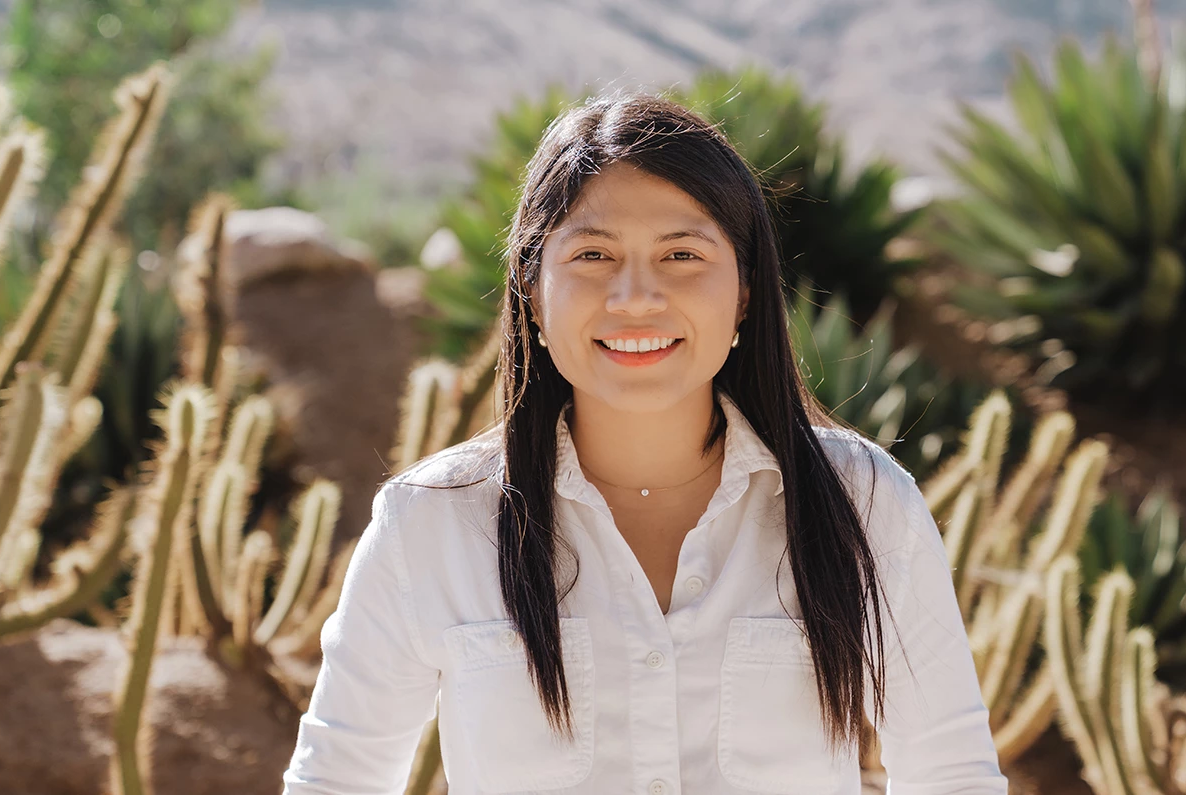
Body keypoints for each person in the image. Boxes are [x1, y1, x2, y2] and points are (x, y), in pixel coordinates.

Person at [282, 90, 1007, 794]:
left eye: (681, 256)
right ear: (533, 290)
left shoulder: (863, 502)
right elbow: (335, 780)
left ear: (745, 291)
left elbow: (951, 774)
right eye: (593, 256)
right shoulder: (432, 523)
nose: (634, 297)